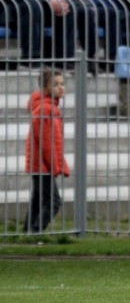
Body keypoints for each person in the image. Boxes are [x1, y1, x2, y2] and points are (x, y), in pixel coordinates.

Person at [25, 68, 71, 234]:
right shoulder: (45, 110)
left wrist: (60, 163)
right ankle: (36, 232)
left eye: (62, 83)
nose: (61, 87)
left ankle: (27, 233)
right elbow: (46, 144)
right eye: (55, 84)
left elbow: (54, 142)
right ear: (45, 89)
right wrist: (55, 165)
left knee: (38, 202)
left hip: (42, 164)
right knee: (54, 202)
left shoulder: (51, 108)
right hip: (42, 165)